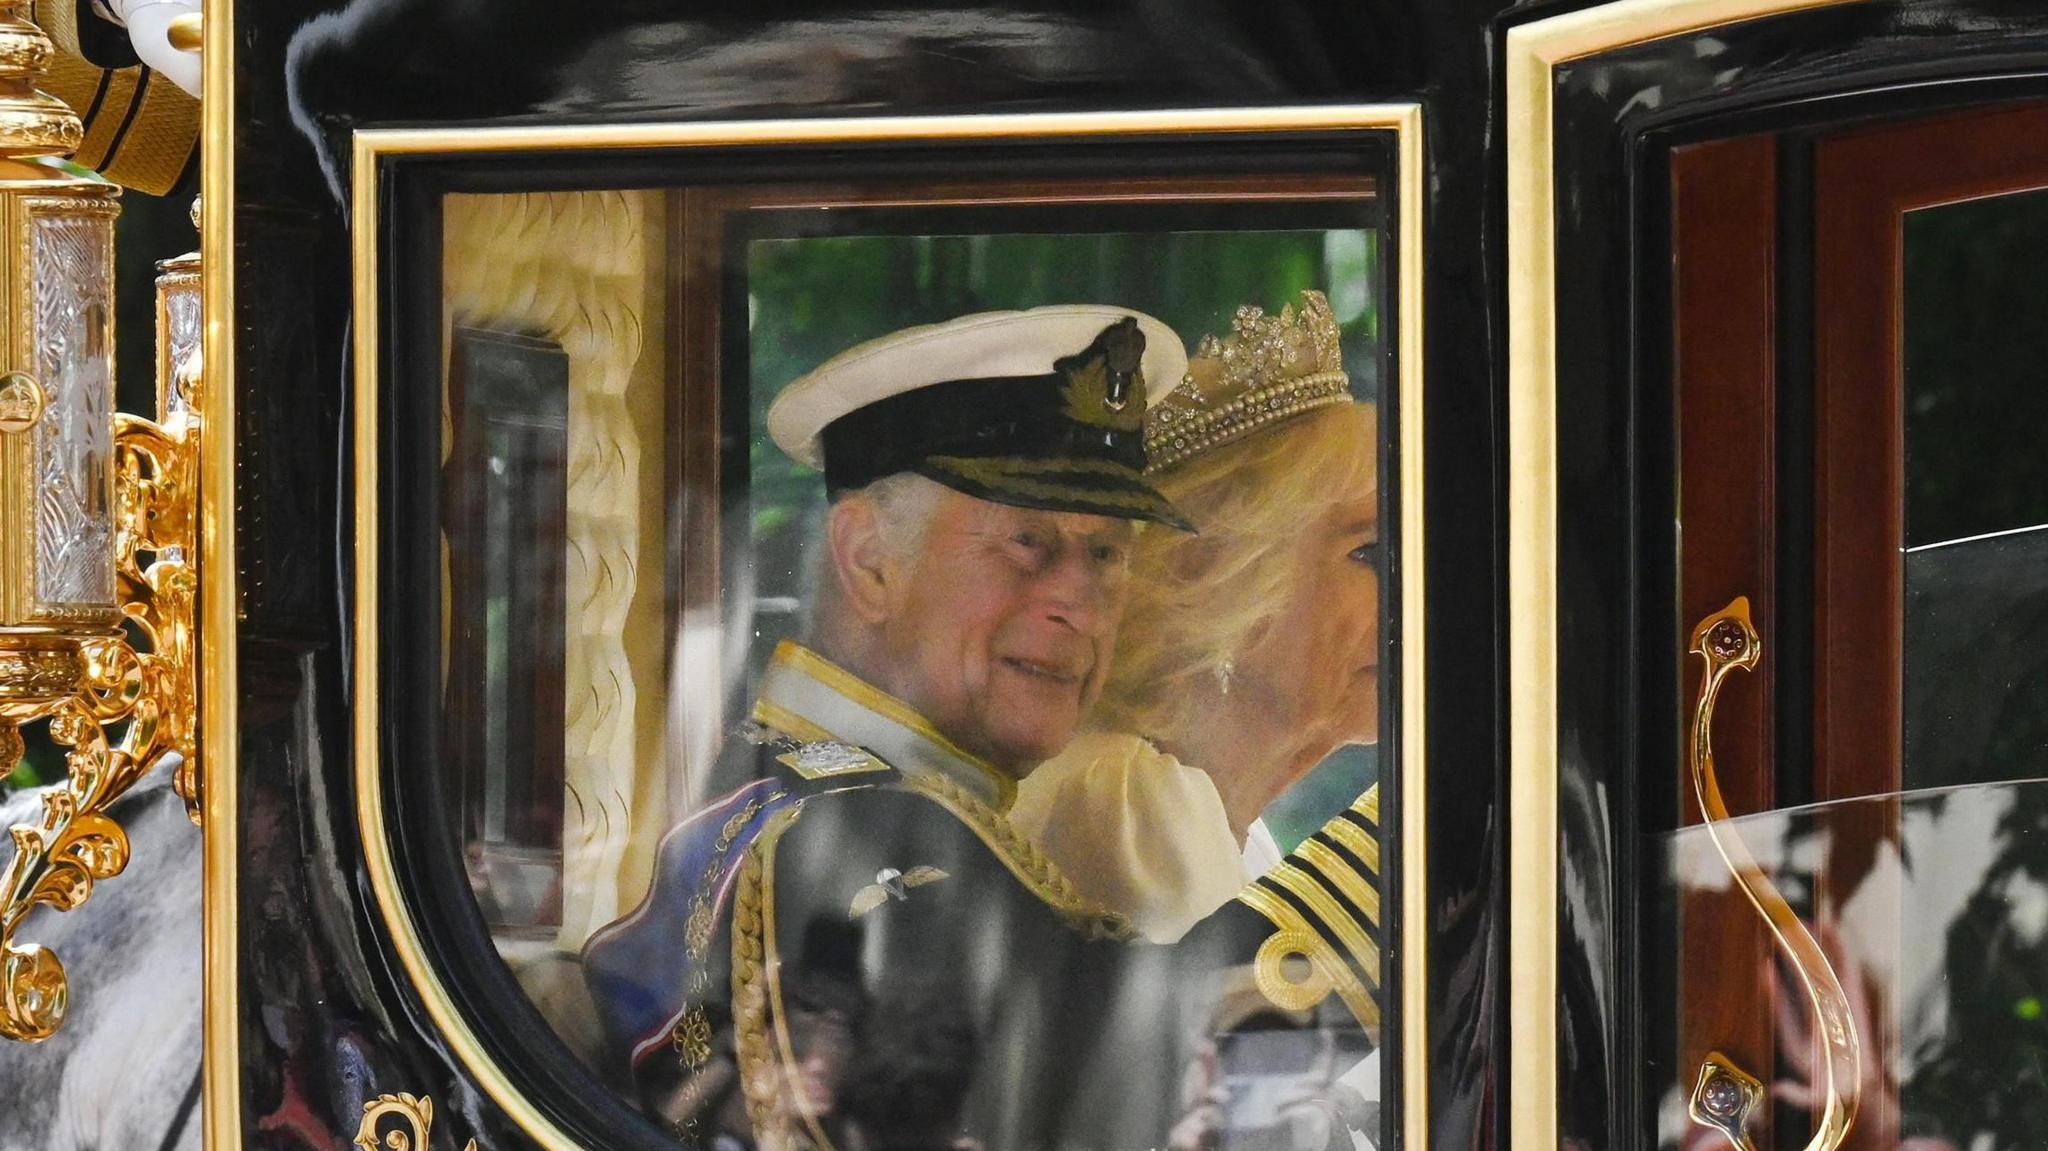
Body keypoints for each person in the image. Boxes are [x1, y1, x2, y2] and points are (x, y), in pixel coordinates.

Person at [581, 305, 1382, 1151]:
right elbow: (1136, 1066)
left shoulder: (815, 785)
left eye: (1107, 553)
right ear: (869, 559)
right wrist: (1432, 834)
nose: (1080, 605)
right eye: (1026, 542)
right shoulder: (836, 825)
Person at [1011, 290, 1381, 946]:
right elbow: (1234, 1045)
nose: (1412, 595)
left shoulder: (1236, 834)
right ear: (1216, 580)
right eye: (1369, 552)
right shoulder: (1127, 804)